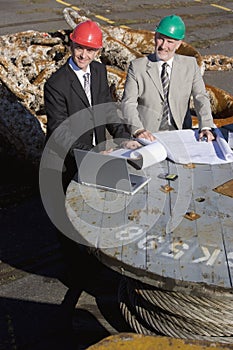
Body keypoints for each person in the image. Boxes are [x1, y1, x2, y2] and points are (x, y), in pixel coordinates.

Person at [43, 20, 139, 309]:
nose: (82, 55)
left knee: (97, 215)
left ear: (98, 51)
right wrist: (96, 155)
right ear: (71, 44)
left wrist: (123, 138)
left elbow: (107, 110)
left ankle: (96, 269)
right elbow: (61, 133)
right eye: (78, 47)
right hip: (69, 161)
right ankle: (76, 277)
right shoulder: (56, 84)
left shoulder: (98, 72)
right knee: (71, 224)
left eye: (88, 50)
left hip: (97, 157)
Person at [121, 14, 215, 142]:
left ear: (178, 44)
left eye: (170, 42)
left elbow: (200, 97)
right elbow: (128, 103)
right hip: (148, 135)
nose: (163, 46)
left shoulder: (190, 65)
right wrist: (138, 130)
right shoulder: (137, 67)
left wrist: (206, 126)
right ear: (155, 37)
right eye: (161, 39)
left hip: (180, 132)